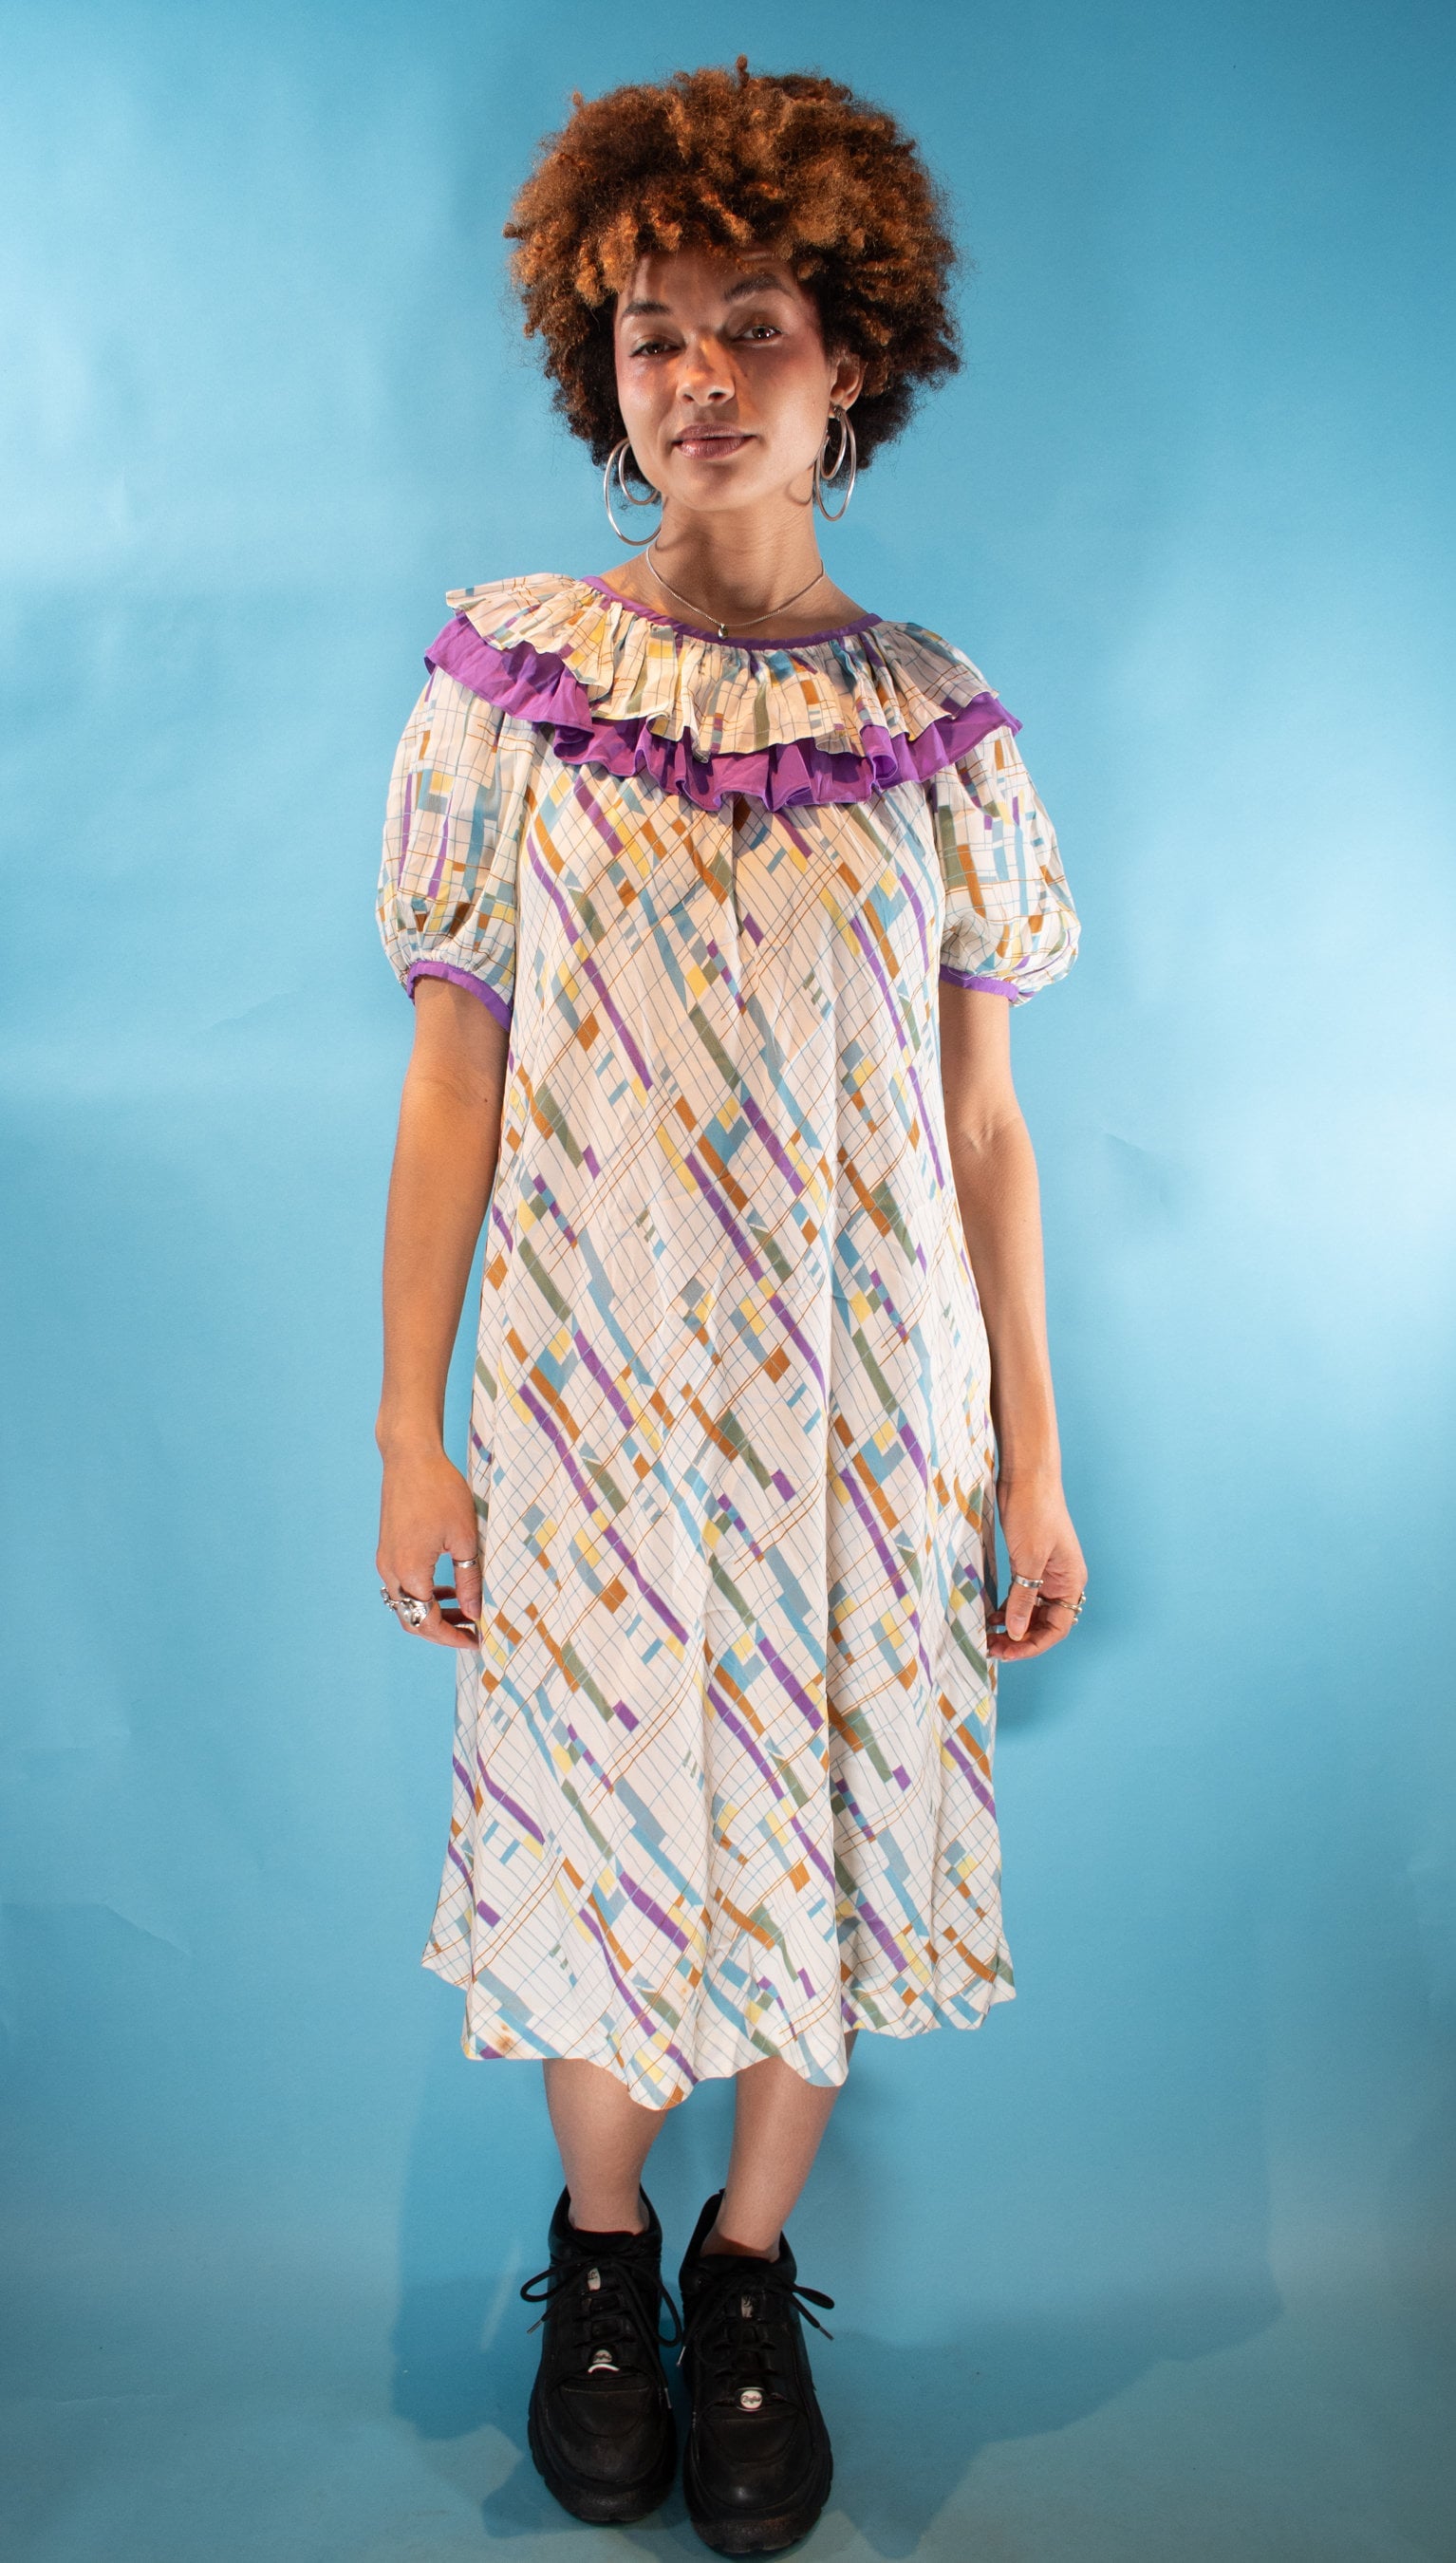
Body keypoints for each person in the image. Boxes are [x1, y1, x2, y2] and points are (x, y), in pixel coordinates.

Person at [374, 59, 1086, 2557]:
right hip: (591, 1408)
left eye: (749, 323)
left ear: (850, 356)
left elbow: (985, 1132)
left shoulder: (940, 734)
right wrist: (412, 1430)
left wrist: (1035, 1458)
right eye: (649, 332)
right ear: (602, 370)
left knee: (831, 1835)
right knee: (595, 1841)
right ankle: (600, 2253)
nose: (696, 377)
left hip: (870, 1420)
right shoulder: (511, 688)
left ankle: (744, 2268)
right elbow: (451, 1083)